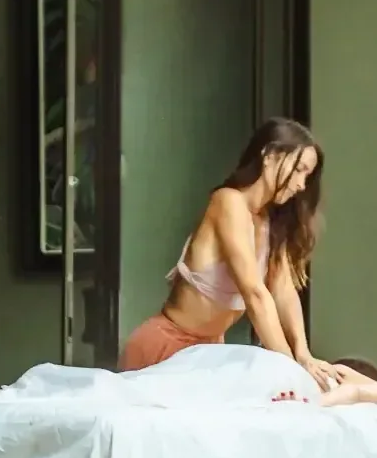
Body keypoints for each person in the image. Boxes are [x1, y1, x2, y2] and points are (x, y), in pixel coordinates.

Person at [120, 118, 341, 390]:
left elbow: (283, 290)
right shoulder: (228, 202)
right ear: (269, 156)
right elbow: (255, 293)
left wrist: (303, 354)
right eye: (299, 170)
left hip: (207, 354)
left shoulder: (271, 221)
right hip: (168, 349)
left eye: (307, 176)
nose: (301, 185)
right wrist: (290, 368)